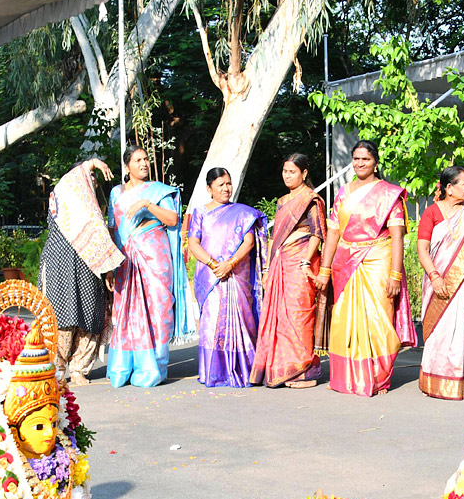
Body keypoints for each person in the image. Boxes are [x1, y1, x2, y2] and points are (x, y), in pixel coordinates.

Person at [318, 140, 418, 396]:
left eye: (365, 159)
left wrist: (396, 274)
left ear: (375, 162)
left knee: (378, 318)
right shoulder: (343, 192)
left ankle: (377, 377)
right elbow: (332, 233)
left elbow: (398, 236)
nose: (360, 163)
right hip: (345, 260)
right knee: (344, 319)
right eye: (356, 159)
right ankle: (346, 376)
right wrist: (325, 269)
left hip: (378, 259)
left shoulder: (389, 194)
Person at [106, 144, 191, 387]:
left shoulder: (158, 191)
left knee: (159, 306)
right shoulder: (116, 193)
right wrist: (110, 266)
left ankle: (156, 366)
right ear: (126, 166)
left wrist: (146, 204)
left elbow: (172, 219)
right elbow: (114, 229)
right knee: (127, 310)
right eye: (138, 160)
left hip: (155, 254)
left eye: (146, 159)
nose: (144, 163)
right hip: (126, 258)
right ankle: (126, 366)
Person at [39, 158, 122, 386]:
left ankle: (79, 369)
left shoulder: (92, 209)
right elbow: (76, 177)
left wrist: (108, 271)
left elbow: (101, 241)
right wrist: (93, 162)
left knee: (91, 316)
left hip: (90, 267)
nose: (91, 181)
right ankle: (55, 371)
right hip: (60, 263)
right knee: (62, 317)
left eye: (93, 179)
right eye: (88, 176)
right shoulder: (64, 193)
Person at [416, 166, 464, 399]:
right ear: (449, 188)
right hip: (438, 282)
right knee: (439, 331)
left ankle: (460, 381)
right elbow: (422, 248)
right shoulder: (432, 212)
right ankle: (435, 381)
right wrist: (434, 276)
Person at [251, 153, 328, 388]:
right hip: (279, 264)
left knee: (299, 316)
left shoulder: (312, 199)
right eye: (285, 171)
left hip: (300, 263)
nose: (287, 175)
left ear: (304, 173)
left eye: (292, 171)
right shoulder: (283, 201)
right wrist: (266, 268)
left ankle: (304, 371)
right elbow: (277, 237)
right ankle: (283, 368)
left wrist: (306, 261)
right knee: (279, 318)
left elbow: (317, 232)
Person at [185, 168, 266, 387]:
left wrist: (230, 263)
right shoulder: (201, 212)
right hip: (211, 276)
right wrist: (213, 264)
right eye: (220, 184)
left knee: (242, 319)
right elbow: (193, 242)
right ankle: (215, 372)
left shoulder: (243, 212)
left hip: (236, 274)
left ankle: (244, 368)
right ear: (209, 188)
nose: (226, 188)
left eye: (228, 183)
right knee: (212, 323)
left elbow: (249, 242)